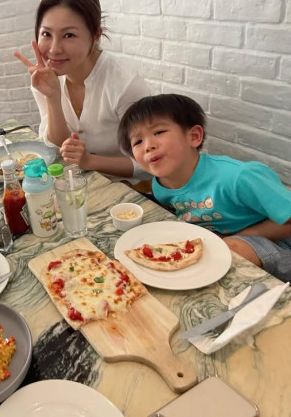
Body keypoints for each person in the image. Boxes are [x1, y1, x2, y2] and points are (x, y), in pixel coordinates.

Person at [117, 94, 291, 282]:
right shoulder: (160, 185)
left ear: (194, 137)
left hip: (277, 245)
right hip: (213, 244)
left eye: (159, 132)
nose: (148, 146)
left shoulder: (239, 177)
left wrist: (235, 237)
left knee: (230, 250)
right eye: (138, 142)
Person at [14, 0, 150, 182]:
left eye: (69, 35)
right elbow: (59, 148)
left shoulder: (125, 85)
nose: (54, 49)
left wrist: (90, 161)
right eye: (46, 34)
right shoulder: (45, 79)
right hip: (77, 184)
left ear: (95, 36)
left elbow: (149, 164)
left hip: (128, 191)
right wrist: (52, 98)